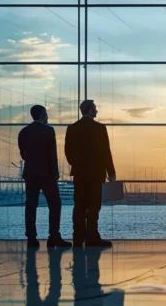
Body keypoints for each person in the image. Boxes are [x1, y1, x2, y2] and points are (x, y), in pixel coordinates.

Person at [65, 100, 116, 247]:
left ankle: (78, 237)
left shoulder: (72, 128)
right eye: (95, 108)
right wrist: (111, 172)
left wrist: (77, 165)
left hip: (80, 174)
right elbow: (106, 152)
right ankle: (92, 237)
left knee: (79, 205)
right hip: (96, 173)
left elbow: (68, 152)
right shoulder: (100, 128)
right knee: (94, 206)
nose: (97, 111)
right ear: (89, 110)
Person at [19, 105, 71, 248]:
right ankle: (54, 236)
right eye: (46, 113)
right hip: (47, 174)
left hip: (30, 173)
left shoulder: (24, 132)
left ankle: (31, 238)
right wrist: (55, 172)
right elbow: (52, 153)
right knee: (54, 205)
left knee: (31, 205)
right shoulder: (48, 130)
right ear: (42, 115)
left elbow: (23, 154)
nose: (47, 116)